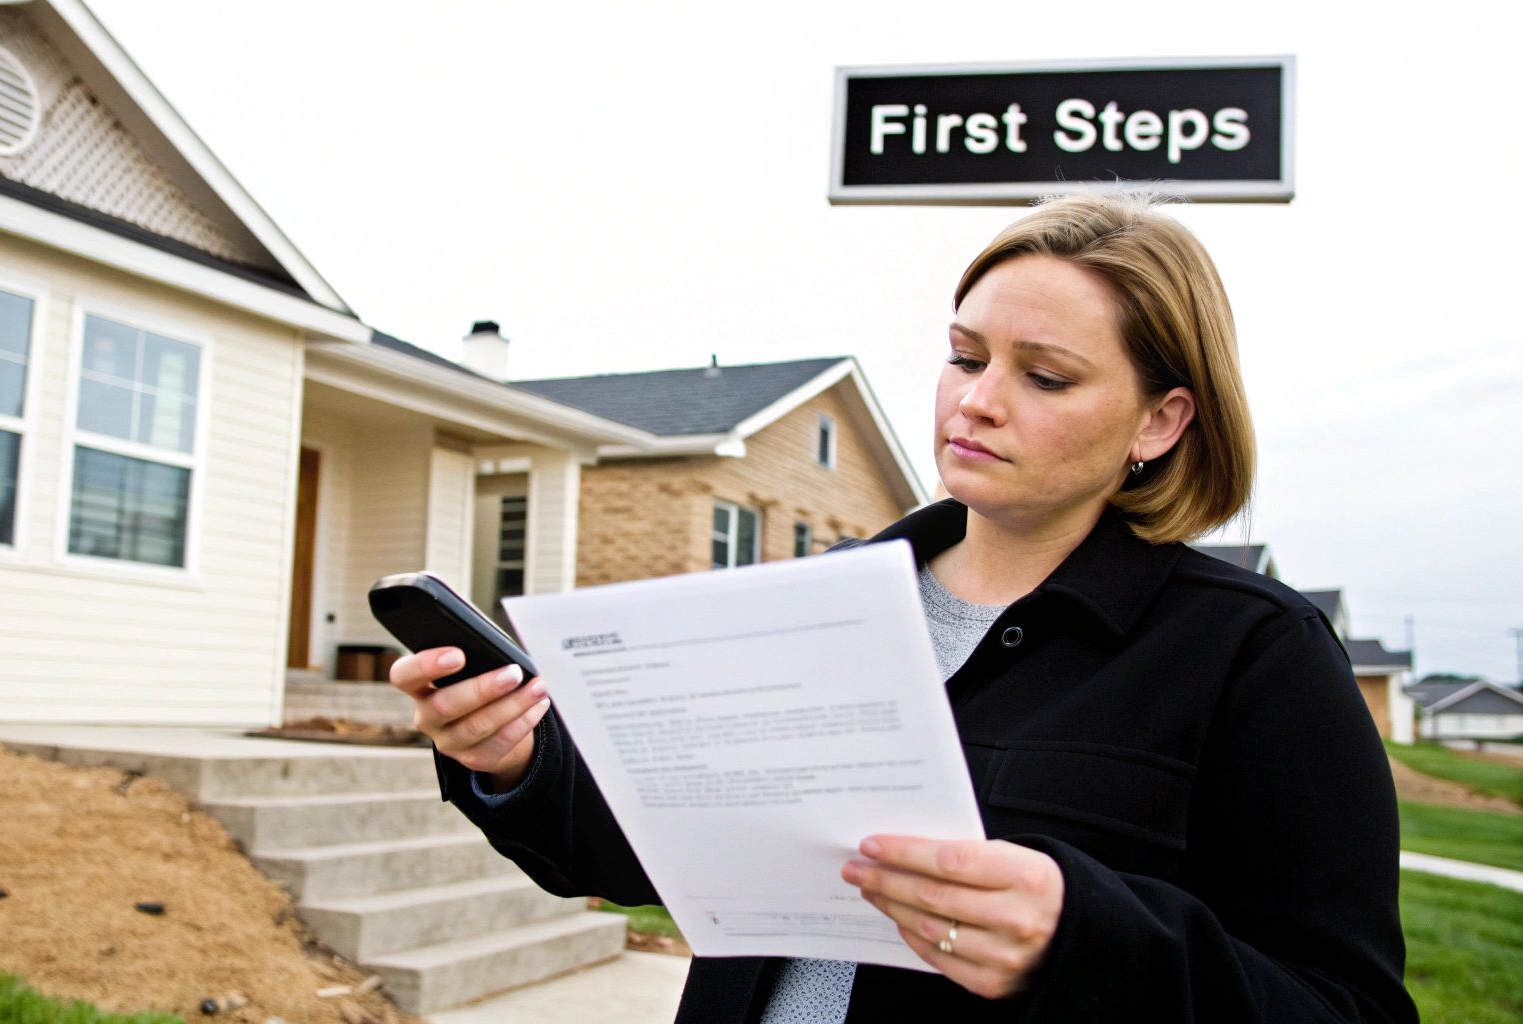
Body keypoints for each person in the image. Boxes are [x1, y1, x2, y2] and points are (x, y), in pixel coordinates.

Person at [388, 193, 1418, 1023]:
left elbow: (1343, 1002)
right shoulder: (808, 605)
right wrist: (513, 760)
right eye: (965, 356)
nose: (975, 399)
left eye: (1045, 376)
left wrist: (1085, 935)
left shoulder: (1251, 655)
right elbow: (639, 855)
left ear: (1159, 418)